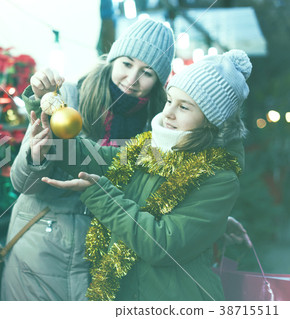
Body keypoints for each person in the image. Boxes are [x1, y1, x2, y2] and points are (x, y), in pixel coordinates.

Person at [32, 49, 252, 301]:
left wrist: (100, 195)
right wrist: (52, 128)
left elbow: (162, 244)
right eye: (170, 101)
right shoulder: (152, 149)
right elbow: (97, 159)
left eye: (184, 107)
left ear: (211, 120)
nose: (168, 113)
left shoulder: (220, 177)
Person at [0, 18, 175, 301]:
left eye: (147, 72)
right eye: (127, 64)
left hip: (101, 263)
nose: (132, 79)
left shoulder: (155, 129)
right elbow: (23, 184)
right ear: (113, 60)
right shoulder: (66, 97)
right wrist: (35, 154)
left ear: (159, 82)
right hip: (39, 254)